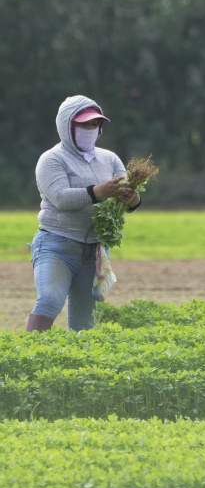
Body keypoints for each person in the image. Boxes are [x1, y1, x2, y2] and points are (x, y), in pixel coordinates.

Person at [26, 96, 141, 332]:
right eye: (83, 124)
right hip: (56, 245)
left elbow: (130, 199)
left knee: (84, 323)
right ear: (66, 126)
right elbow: (60, 198)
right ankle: (27, 356)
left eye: (94, 124)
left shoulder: (110, 159)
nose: (90, 129)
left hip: (95, 251)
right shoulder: (51, 159)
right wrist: (98, 192)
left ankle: (79, 367)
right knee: (50, 299)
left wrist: (132, 198)